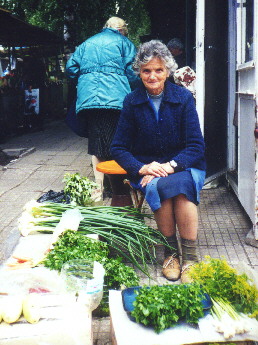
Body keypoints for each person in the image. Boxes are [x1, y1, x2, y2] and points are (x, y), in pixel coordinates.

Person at [111, 40, 206, 283]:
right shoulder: (131, 102)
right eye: (146, 71)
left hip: (183, 164)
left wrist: (171, 165)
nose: (152, 76)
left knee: (181, 187)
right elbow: (118, 147)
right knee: (161, 185)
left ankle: (191, 258)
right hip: (148, 168)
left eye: (158, 70)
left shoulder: (183, 98)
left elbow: (196, 145)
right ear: (139, 72)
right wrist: (142, 167)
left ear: (168, 71)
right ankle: (170, 254)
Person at [66, 17, 138, 189]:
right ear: (122, 30)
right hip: (117, 100)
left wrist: (85, 81)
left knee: (97, 143)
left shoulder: (86, 43)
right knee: (119, 142)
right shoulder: (125, 43)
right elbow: (133, 72)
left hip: (90, 99)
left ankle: (98, 188)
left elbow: (70, 68)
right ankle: (118, 188)